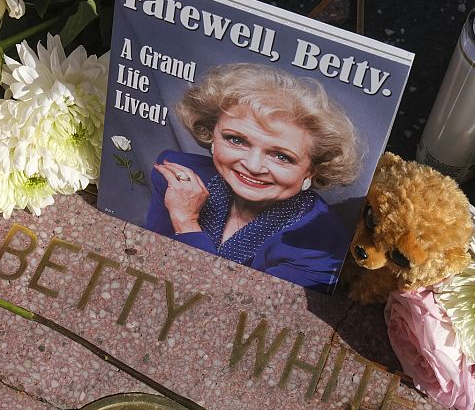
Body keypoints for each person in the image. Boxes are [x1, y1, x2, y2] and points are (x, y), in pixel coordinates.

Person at [145, 63, 363, 292]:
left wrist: (186, 223)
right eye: (236, 140)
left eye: (281, 156)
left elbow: (233, 314)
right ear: (212, 134)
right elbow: (148, 264)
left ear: (312, 169)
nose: (253, 165)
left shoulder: (323, 242)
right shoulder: (178, 175)